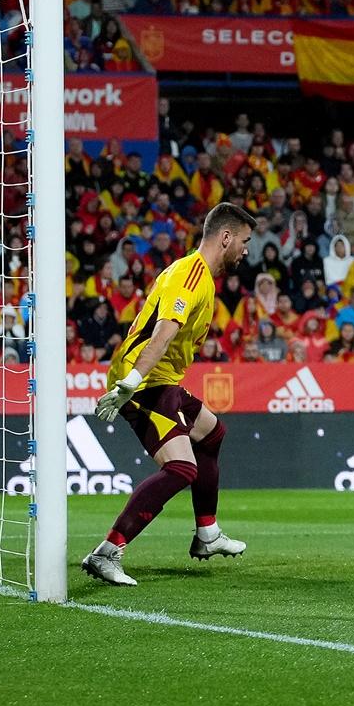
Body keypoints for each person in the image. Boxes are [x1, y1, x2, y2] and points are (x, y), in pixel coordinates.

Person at [81, 203, 257, 586]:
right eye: (244, 241)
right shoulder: (190, 276)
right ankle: (107, 552)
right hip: (144, 381)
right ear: (224, 238)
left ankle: (207, 534)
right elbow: (164, 331)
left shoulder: (203, 278)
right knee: (181, 468)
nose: (246, 250)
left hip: (162, 379)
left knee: (212, 434)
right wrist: (131, 382)